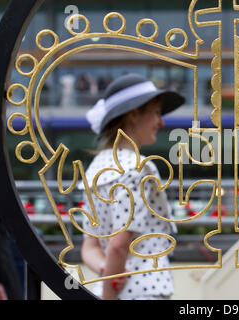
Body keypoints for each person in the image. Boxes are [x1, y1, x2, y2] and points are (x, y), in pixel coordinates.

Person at [79, 73, 184, 300]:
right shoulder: (137, 168)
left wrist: (109, 273)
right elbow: (119, 245)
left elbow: (90, 248)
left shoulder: (95, 170)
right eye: (156, 112)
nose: (161, 122)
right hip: (144, 291)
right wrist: (110, 294)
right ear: (134, 115)